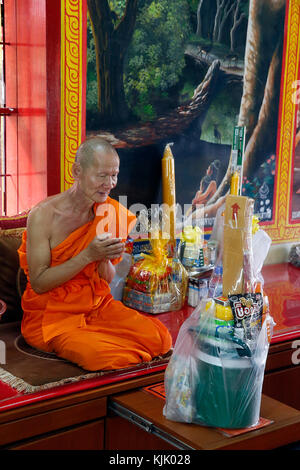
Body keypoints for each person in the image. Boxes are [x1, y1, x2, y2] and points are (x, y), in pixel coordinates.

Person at [18, 137, 172, 371]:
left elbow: (106, 280)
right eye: (101, 175)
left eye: (114, 175)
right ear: (76, 171)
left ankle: (109, 340)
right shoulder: (43, 216)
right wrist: (88, 255)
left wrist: (104, 257)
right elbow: (39, 283)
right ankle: (105, 343)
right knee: (101, 356)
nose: (109, 184)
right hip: (52, 316)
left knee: (160, 339)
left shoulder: (109, 212)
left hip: (97, 306)